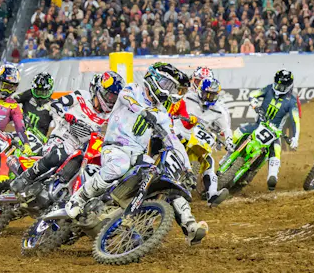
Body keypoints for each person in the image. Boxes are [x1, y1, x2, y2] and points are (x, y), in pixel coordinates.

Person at [60, 62, 209, 245]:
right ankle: (79, 198)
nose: (169, 90)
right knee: (120, 165)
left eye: (172, 87)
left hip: (138, 155)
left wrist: (187, 169)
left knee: (166, 178)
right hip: (115, 147)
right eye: (167, 84)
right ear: (154, 80)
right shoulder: (132, 89)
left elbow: (174, 141)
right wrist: (145, 112)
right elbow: (127, 100)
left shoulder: (162, 113)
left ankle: (189, 224)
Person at [11, 71, 124, 192]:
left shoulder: (111, 116)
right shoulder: (81, 96)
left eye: (114, 98)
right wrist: (65, 114)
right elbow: (56, 104)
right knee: (58, 155)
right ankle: (26, 177)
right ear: (99, 90)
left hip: (84, 149)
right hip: (63, 137)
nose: (111, 101)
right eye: (109, 96)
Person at [170, 70, 232, 206]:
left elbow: (226, 128)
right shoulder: (188, 98)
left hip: (198, 139)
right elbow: (173, 107)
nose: (208, 98)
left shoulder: (219, 110)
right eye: (206, 94)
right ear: (200, 91)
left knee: (209, 161)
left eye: (212, 95)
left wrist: (229, 141)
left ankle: (212, 194)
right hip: (178, 134)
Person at [234, 70, 300, 192]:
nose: (278, 87)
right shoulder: (269, 88)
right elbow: (254, 94)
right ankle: (227, 157)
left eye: (281, 86)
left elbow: (295, 120)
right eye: (277, 84)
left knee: (276, 149)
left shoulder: (292, 101)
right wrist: (254, 102)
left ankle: (272, 176)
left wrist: (295, 137)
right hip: (258, 124)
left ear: (288, 86)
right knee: (237, 133)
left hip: (275, 133)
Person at [15, 72, 56, 146]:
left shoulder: (54, 105)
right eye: (37, 92)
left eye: (43, 93)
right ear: (33, 89)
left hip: (39, 141)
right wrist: (17, 111)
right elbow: (11, 101)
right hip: (21, 135)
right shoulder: (28, 94)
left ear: (50, 91)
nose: (40, 97)